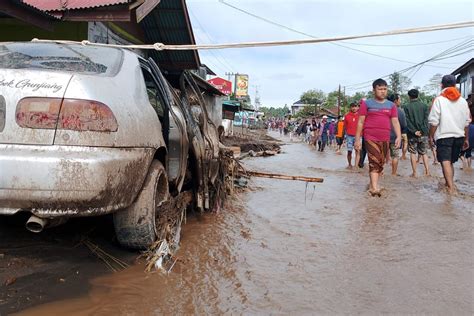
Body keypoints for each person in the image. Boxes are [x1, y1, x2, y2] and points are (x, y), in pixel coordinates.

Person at [355, 79, 401, 196]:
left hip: (385, 137)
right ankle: (375, 189)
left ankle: (372, 184)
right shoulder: (367, 104)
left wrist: (398, 137)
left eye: (385, 89)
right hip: (370, 136)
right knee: (374, 161)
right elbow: (360, 122)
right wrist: (357, 139)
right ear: (374, 90)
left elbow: (395, 122)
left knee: (381, 163)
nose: (382, 91)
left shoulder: (391, 106)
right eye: (380, 89)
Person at [428, 75, 471, 194]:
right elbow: (467, 122)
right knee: (450, 161)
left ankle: (451, 188)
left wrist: (430, 136)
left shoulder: (439, 100)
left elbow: (434, 121)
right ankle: (449, 184)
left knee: (445, 161)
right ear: (455, 85)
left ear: (441, 85)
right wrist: (466, 139)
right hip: (459, 136)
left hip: (444, 136)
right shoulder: (463, 101)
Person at [403, 89, 431, 177]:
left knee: (412, 152)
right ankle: (427, 172)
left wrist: (415, 131)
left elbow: (407, 121)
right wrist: (422, 130)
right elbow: (426, 120)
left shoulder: (406, 107)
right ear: (418, 95)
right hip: (424, 134)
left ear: (409, 96)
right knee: (424, 152)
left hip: (412, 134)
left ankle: (414, 173)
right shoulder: (425, 106)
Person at [387, 93, 407, 175]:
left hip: (384, 136)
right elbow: (404, 125)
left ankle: (380, 173)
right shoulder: (400, 111)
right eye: (399, 99)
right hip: (395, 137)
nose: (400, 101)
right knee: (395, 156)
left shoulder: (384, 109)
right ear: (396, 101)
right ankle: (393, 173)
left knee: (382, 155)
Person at [344, 102, 360, 168]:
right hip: (349, 136)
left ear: (358, 107)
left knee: (358, 150)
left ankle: (356, 166)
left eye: (355, 106)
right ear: (350, 108)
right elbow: (345, 126)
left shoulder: (360, 116)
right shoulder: (347, 116)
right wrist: (345, 137)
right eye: (352, 107)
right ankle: (349, 164)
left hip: (358, 136)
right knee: (349, 151)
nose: (354, 108)